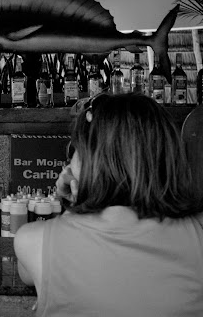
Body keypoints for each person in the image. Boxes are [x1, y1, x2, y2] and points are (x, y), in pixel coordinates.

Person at [14, 93, 203, 317]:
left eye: (76, 150)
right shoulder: (198, 231)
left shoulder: (32, 241)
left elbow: (27, 274)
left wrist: (76, 206)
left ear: (91, 161)